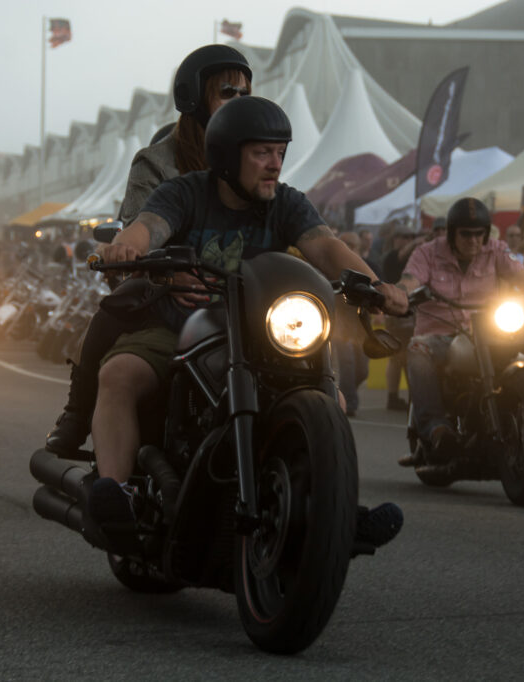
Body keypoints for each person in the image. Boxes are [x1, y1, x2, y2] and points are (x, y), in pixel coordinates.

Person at [88, 96, 408, 554]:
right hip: (180, 326)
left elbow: (325, 247)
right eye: (261, 153)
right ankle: (116, 493)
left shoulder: (286, 203)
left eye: (279, 152)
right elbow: (149, 226)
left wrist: (377, 286)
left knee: (330, 397)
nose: (274, 163)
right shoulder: (185, 193)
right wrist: (128, 246)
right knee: (119, 374)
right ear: (226, 154)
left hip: (262, 334)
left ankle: (334, 509)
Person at [46, 44, 253, 456]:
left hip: (240, 301)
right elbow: (139, 226)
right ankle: (77, 413)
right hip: (165, 291)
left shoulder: (255, 158)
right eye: (227, 92)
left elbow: (294, 224)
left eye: (245, 94)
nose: (239, 101)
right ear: (194, 99)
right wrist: (163, 269)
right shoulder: (157, 163)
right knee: (112, 311)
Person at [395, 197, 524, 463]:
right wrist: (399, 293)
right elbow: (410, 280)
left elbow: (523, 277)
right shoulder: (427, 253)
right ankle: (436, 428)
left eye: (479, 234)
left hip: (490, 333)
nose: (474, 240)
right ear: (451, 234)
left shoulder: (497, 250)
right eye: (466, 234)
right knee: (417, 348)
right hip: (439, 336)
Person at [380, 222, 422, 411]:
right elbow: (401, 255)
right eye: (404, 237)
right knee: (399, 356)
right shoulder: (391, 257)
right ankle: (396, 397)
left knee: (402, 356)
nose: (408, 240)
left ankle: (397, 397)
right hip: (396, 312)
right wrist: (418, 242)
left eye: (411, 237)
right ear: (395, 239)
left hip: (408, 312)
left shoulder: (414, 258)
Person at [332, 231, 370, 416]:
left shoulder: (368, 267)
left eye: (354, 245)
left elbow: (381, 286)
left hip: (360, 324)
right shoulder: (330, 267)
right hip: (340, 323)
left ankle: (344, 394)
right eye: (346, 244)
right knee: (347, 363)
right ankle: (349, 403)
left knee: (362, 370)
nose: (350, 249)